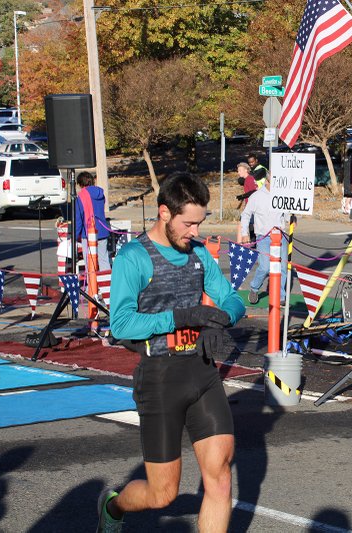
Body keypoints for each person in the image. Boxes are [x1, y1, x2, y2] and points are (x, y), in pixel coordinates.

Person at [101, 172, 246, 533]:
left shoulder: (197, 254)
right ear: (164, 212)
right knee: (162, 494)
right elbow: (120, 324)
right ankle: (113, 507)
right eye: (188, 223)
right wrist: (181, 317)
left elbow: (232, 298)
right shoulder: (134, 257)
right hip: (160, 379)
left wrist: (220, 319)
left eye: (200, 222)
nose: (195, 232)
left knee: (220, 479)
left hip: (203, 374)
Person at [237, 173, 288, 305]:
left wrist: (292, 219)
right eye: (272, 179)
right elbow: (246, 215)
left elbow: (287, 214)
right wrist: (245, 233)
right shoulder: (257, 196)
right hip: (263, 237)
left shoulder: (283, 194)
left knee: (282, 267)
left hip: (281, 236)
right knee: (265, 267)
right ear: (267, 180)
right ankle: (254, 288)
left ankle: (280, 296)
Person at [75, 171, 111, 272]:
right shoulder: (100, 193)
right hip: (102, 230)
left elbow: (78, 218)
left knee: (90, 262)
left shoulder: (82, 196)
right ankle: (107, 284)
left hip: (88, 232)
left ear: (80, 184)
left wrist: (75, 235)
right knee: (104, 260)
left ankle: (91, 287)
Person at [235, 162, 257, 244]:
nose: (238, 172)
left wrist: (243, 196)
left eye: (240, 170)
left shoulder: (249, 179)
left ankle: (240, 244)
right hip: (249, 206)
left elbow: (254, 191)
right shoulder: (247, 179)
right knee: (248, 224)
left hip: (252, 206)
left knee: (242, 224)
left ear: (246, 170)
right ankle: (250, 241)